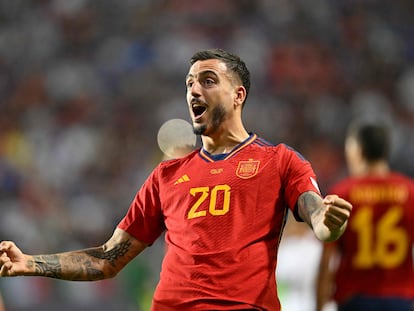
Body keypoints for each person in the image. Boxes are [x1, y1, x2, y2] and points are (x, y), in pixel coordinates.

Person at [0, 48, 352, 311]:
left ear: (238, 95)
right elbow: (107, 259)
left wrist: (328, 221)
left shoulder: (278, 160)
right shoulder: (167, 175)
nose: (194, 91)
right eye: (189, 84)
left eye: (208, 81)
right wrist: (31, 262)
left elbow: (319, 218)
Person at [316, 123, 414, 311]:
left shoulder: (343, 194)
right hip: (399, 299)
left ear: (357, 151)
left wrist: (319, 305)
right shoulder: (409, 192)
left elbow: (327, 257)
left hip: (355, 298)